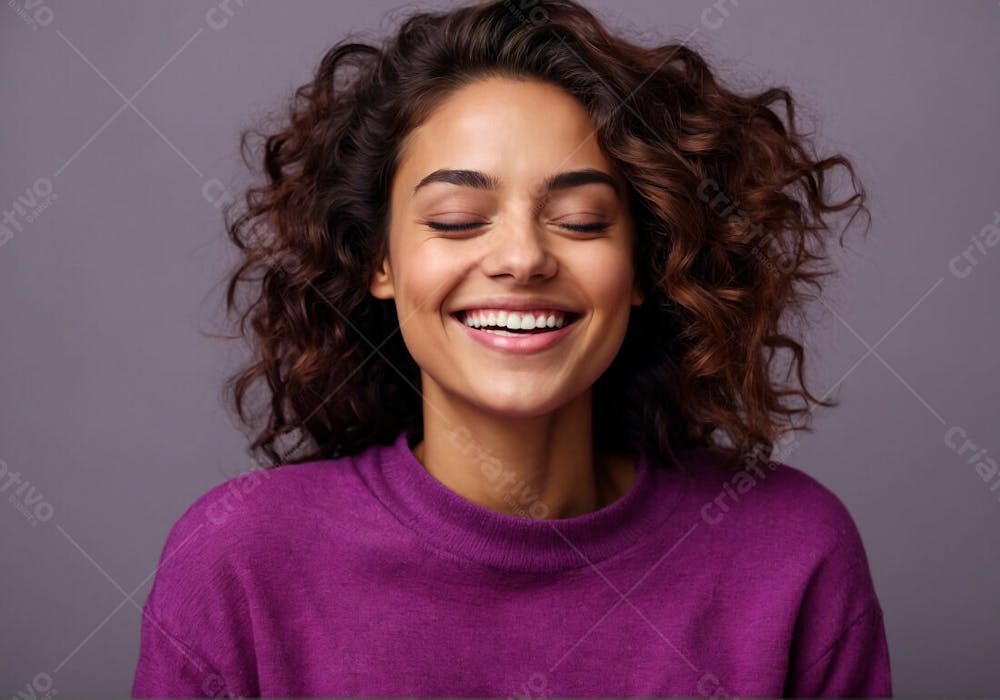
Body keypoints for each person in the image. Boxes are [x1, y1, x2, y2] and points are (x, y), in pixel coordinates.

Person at [132, 0, 891, 696]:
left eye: (583, 220)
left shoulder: (790, 555)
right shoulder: (237, 562)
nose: (522, 259)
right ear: (381, 263)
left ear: (643, 266)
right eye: (459, 218)